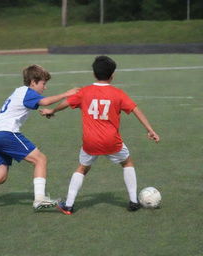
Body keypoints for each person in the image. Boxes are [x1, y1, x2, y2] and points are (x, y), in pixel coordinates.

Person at [40, 56, 160, 215]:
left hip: (90, 142)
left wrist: (52, 110)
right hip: (112, 141)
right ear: (112, 75)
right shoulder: (118, 93)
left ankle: (68, 205)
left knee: (82, 168)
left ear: (94, 74)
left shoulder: (85, 91)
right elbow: (136, 110)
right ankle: (133, 201)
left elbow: (67, 103)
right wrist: (150, 129)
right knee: (127, 162)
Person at [0, 64, 78, 211]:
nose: (45, 87)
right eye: (43, 83)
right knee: (40, 159)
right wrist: (66, 94)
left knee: (0, 177)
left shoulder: (21, 92)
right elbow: (45, 101)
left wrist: (48, 111)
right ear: (33, 82)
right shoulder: (27, 92)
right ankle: (40, 199)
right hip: (5, 133)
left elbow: (30, 106)